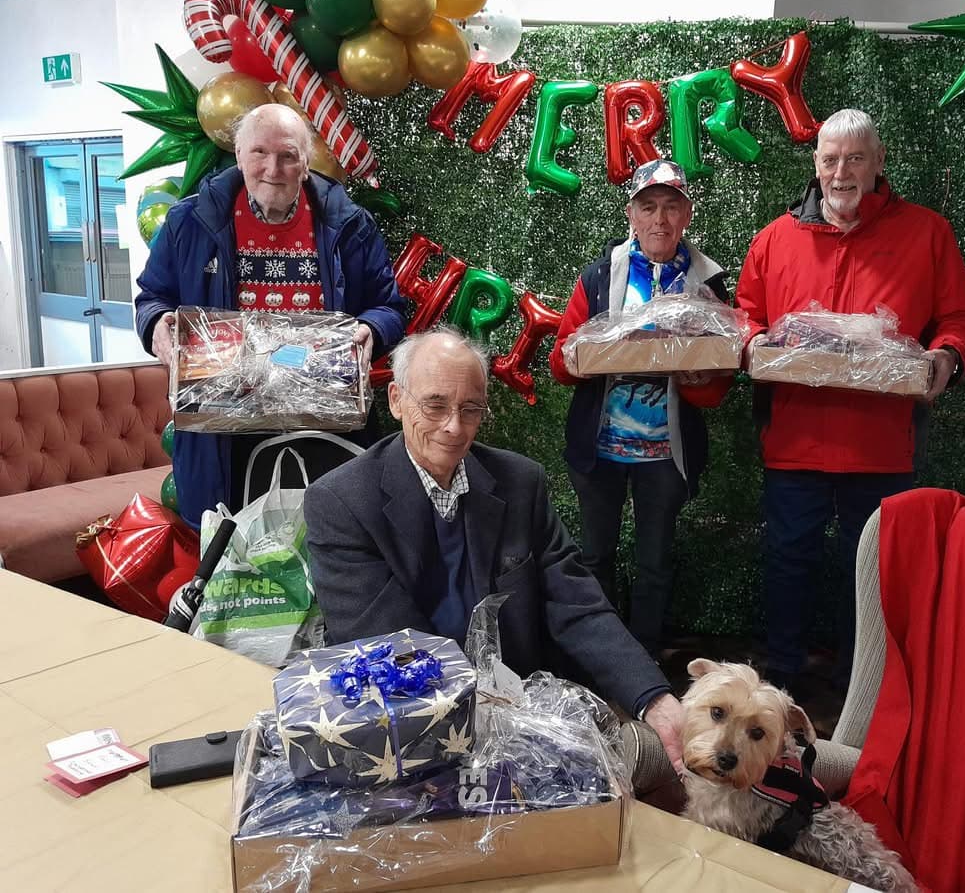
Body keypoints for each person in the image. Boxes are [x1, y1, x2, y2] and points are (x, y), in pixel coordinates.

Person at [303, 327, 686, 771]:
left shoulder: (520, 483)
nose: (453, 426)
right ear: (395, 400)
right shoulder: (342, 501)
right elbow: (391, 645)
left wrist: (652, 699)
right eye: (435, 405)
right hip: (409, 725)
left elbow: (577, 604)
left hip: (522, 706)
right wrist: (496, 723)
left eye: (470, 409)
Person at [736, 108, 965, 695]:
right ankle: (778, 686)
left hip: (882, 448)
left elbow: (962, 319)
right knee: (787, 562)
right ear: (815, 164)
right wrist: (751, 343)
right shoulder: (774, 239)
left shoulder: (926, 233)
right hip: (794, 442)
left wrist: (946, 356)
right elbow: (746, 315)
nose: (841, 171)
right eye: (830, 159)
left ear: (878, 164)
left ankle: (863, 689)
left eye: (855, 158)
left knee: (871, 574)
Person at [135, 102, 407, 528]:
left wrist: (373, 330)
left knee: (325, 551)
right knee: (230, 567)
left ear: (306, 160)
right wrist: (157, 325)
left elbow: (389, 307)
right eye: (259, 153)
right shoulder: (190, 222)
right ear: (239, 156)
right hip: (222, 439)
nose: (272, 169)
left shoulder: (350, 225)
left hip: (325, 431)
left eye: (287, 155)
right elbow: (151, 296)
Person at [548, 159, 731, 655]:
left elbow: (719, 384)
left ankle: (645, 659)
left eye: (671, 207)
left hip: (665, 455)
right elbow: (561, 361)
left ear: (687, 215)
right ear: (631, 215)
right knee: (595, 555)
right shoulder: (599, 277)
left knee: (654, 560)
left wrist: (694, 377)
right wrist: (585, 358)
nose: (660, 220)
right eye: (649, 207)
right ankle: (603, 654)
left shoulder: (708, 285)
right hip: (600, 451)